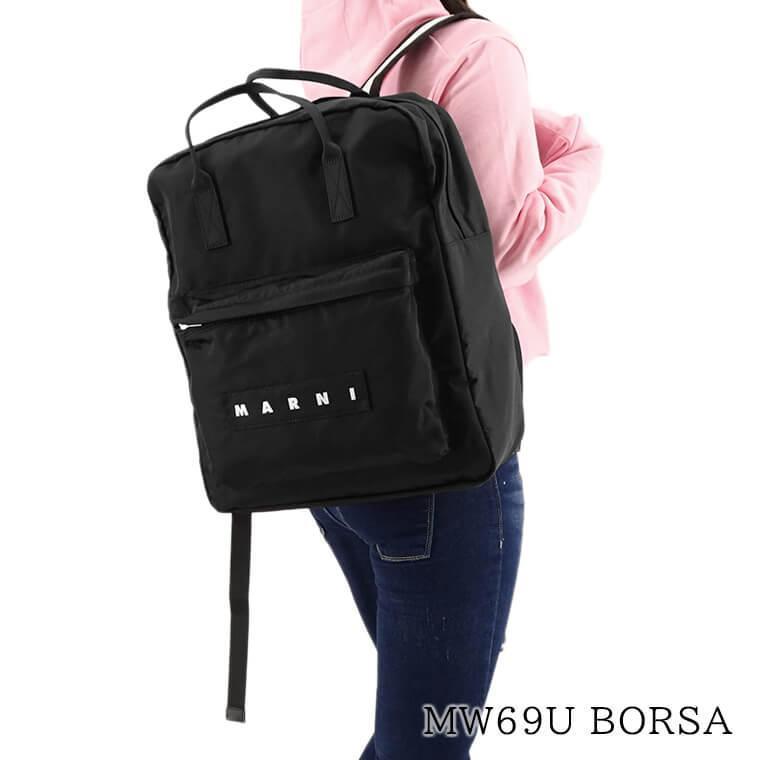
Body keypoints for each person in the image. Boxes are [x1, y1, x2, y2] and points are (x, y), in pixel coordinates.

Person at [301, 1, 602, 758]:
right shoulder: (477, 51)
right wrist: (578, 157)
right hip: (442, 451)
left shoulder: (333, 27)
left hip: (329, 447)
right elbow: (501, 242)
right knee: (431, 739)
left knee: (415, 727)